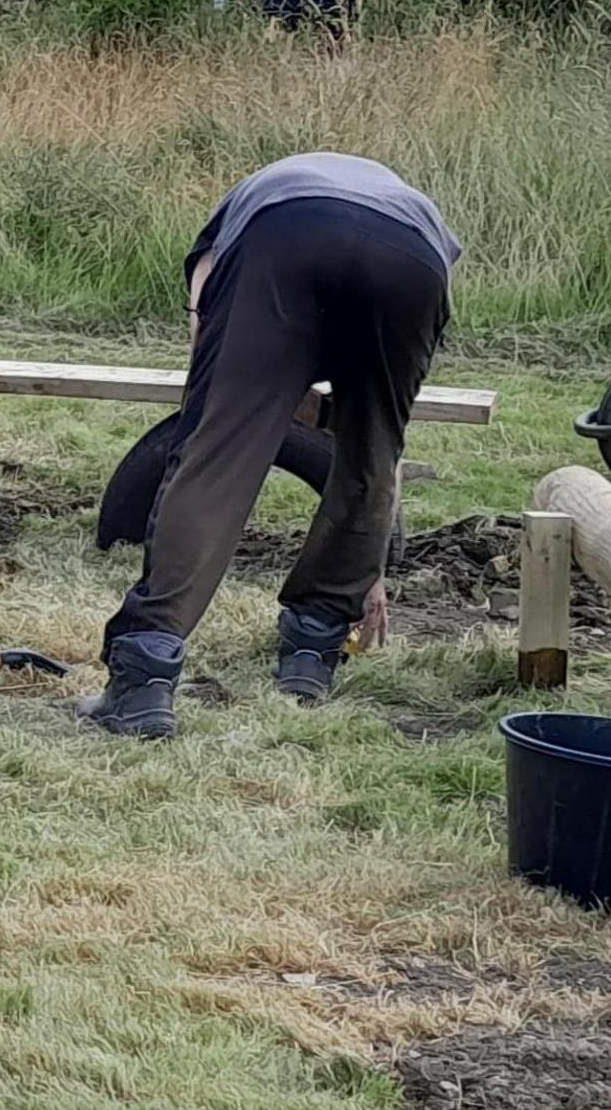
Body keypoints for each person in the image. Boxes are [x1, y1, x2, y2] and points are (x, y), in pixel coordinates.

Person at [83, 152, 460, 741]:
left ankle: (144, 681)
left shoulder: (244, 208)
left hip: (286, 234)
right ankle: (311, 652)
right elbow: (375, 451)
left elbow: (203, 332)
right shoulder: (407, 205)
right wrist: (365, 568)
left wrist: (218, 416)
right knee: (372, 458)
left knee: (215, 457)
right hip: (414, 259)